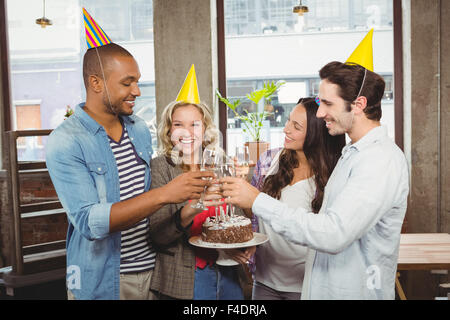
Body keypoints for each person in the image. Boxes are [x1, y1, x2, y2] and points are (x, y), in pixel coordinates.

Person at [221, 32, 409, 299]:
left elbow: (333, 234)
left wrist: (258, 201)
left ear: (359, 104)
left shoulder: (380, 160)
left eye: (328, 104)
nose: (320, 113)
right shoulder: (352, 155)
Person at [45, 11, 213, 300]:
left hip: (152, 273)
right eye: (127, 82)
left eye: (137, 81)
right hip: (103, 278)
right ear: (96, 83)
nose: (136, 90)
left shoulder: (137, 129)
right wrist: (164, 195)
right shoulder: (65, 141)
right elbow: (88, 221)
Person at [148, 65, 248, 300]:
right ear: (168, 130)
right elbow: (159, 235)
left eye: (195, 124)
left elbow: (237, 218)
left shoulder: (220, 163)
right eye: (178, 124)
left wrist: (242, 246)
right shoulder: (161, 167)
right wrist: (198, 203)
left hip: (228, 271)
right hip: (185, 277)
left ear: (205, 129)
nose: (187, 132)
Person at [248, 97, 345, 300]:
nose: (286, 129)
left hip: (306, 285)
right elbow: (254, 213)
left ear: (315, 135)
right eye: (288, 120)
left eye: (296, 126)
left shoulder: (333, 177)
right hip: (264, 281)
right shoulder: (268, 161)